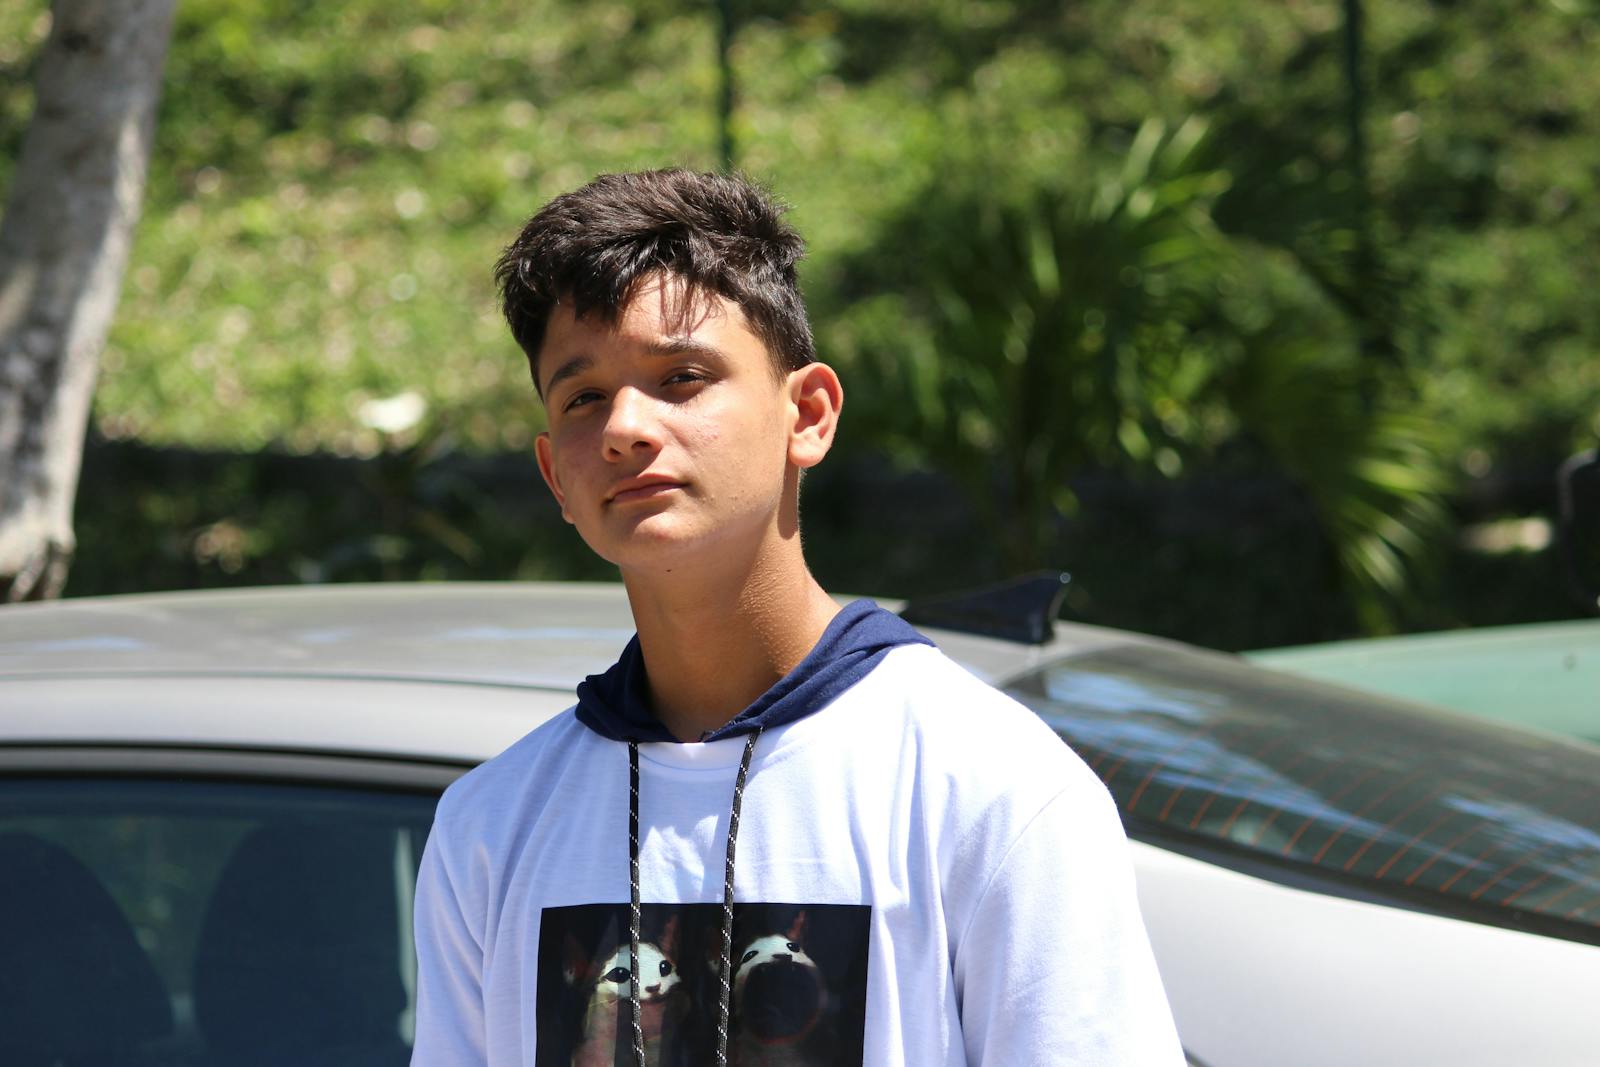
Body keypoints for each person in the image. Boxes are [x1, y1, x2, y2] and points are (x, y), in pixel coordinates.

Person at [410, 168, 1184, 1066]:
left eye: (682, 376)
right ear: (555, 475)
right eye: (583, 397)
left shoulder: (989, 788)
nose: (624, 426)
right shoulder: (490, 828)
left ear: (807, 414)